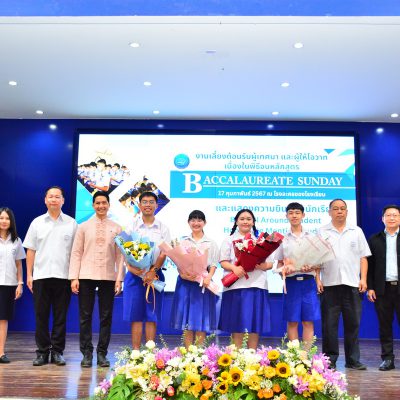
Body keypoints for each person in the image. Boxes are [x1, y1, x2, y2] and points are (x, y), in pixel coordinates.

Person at [23, 186, 78, 366]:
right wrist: (29, 274)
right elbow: (31, 250)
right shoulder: (37, 223)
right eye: (51, 196)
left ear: (63, 200)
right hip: (41, 276)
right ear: (45, 200)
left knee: (60, 317)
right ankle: (42, 352)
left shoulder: (71, 223)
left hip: (63, 277)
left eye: (57, 197)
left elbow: (76, 252)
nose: (54, 199)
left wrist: (74, 276)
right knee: (41, 316)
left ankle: (57, 352)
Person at [69, 191, 125, 368]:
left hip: (108, 276)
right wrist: (74, 277)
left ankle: (102, 354)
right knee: (85, 316)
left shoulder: (117, 228)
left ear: (109, 205)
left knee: (106, 316)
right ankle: (86, 353)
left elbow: (120, 256)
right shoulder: (83, 227)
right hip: (86, 276)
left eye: (104, 203)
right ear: (93, 205)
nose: (101, 206)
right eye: (98, 203)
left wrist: (119, 279)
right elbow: (76, 252)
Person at [317, 198, 370, 370]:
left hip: (352, 284)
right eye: (335, 208)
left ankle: (353, 360)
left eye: (342, 208)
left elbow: (363, 257)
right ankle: (329, 360)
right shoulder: (322, 231)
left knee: (353, 324)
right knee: (329, 325)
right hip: (329, 285)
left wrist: (363, 279)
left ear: (347, 211)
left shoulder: (356, 231)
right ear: (329, 212)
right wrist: (317, 279)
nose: (339, 211)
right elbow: (316, 258)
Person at [123, 191, 171, 349]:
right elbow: (124, 250)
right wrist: (131, 268)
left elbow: (164, 252)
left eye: (151, 202)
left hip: (155, 275)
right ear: (139, 205)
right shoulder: (132, 226)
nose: (148, 205)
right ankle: (136, 353)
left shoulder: (163, 228)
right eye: (144, 202)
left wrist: (153, 270)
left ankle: (149, 354)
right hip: (134, 275)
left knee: (152, 315)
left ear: (156, 205)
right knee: (135, 315)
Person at [218, 209, 272, 349]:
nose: (245, 221)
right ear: (236, 222)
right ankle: (237, 356)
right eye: (242, 219)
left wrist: (261, 265)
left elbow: (270, 264)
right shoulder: (229, 240)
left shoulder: (261, 241)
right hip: (236, 287)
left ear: (253, 222)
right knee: (237, 323)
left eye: (248, 219)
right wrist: (234, 268)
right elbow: (223, 261)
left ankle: (252, 355)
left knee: (255, 323)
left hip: (257, 285)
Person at [273, 202, 320, 349]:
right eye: (291, 213)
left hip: (308, 282)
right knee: (292, 321)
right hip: (291, 283)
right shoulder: (281, 239)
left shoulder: (312, 237)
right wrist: (284, 271)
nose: (294, 216)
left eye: (297, 213)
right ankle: (294, 355)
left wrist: (312, 268)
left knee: (308, 321)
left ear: (303, 215)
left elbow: (319, 262)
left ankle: (306, 355)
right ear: (286, 216)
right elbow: (279, 264)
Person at [170, 210, 218, 348]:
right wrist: (182, 273)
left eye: (199, 220)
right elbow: (177, 261)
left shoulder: (211, 242)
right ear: (188, 222)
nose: (196, 223)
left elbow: (214, 263)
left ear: (205, 223)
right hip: (185, 283)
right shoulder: (182, 241)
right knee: (186, 320)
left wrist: (209, 277)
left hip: (203, 283)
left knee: (200, 320)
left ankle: (199, 354)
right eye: (193, 220)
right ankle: (187, 353)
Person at [367, 205, 400, 371]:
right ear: (383, 218)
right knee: (385, 325)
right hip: (382, 289)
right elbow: (370, 266)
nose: (392, 218)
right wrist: (370, 287)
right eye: (388, 215)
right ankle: (387, 359)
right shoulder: (374, 239)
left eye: (395, 215)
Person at [0, 207, 25, 363]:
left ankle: (1, 352)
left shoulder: (16, 241)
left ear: (11, 221)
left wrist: (20, 283)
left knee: (3, 319)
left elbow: (19, 264)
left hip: (9, 284)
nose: (4, 221)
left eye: (7, 218)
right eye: (1, 218)